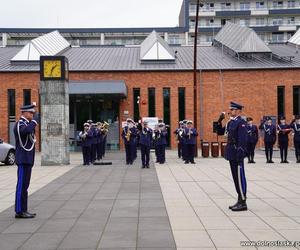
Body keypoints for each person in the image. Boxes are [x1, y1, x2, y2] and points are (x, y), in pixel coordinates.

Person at [217, 102, 248, 212]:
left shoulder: (241, 123)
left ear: (239, 111)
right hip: (231, 153)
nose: (231, 111)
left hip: (237, 154)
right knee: (235, 177)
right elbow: (220, 132)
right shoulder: (231, 122)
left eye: (233, 110)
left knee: (240, 177)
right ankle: (239, 198)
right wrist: (219, 120)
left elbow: (243, 140)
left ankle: (243, 202)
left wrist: (240, 153)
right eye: (230, 109)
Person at [14, 104, 39, 219]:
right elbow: (25, 132)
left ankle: (24, 209)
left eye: (33, 113)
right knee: (21, 186)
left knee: (25, 186)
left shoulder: (27, 124)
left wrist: (32, 123)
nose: (32, 115)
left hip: (28, 159)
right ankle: (19, 210)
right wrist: (34, 122)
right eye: (31, 113)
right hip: (23, 159)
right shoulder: (20, 124)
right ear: (24, 113)